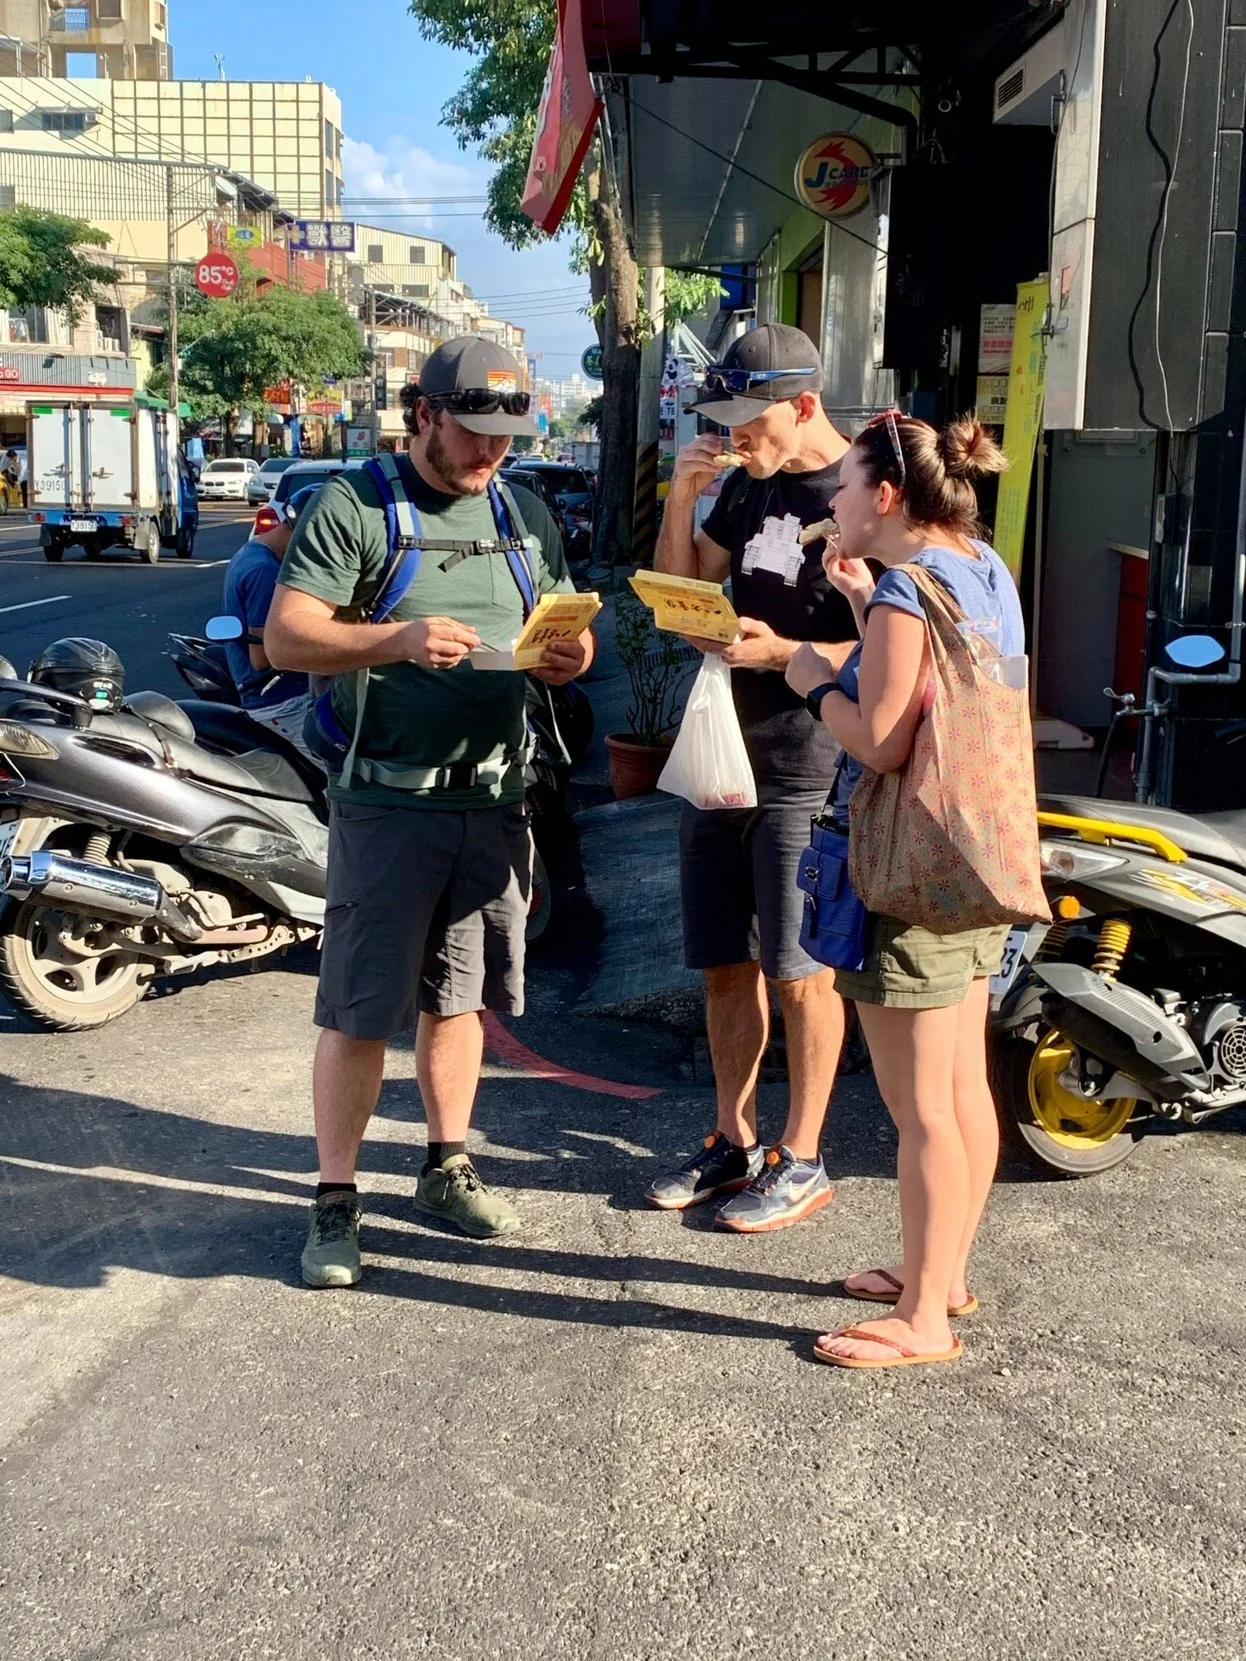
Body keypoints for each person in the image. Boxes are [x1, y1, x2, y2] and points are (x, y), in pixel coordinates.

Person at [264, 336, 594, 1288]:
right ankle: (334, 1201)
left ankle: (447, 1168)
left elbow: (565, 626)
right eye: (474, 431)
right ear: (425, 413)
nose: (492, 451)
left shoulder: (525, 513)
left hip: (492, 797)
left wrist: (569, 659)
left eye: (506, 434)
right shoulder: (358, 506)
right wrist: (398, 638)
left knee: (462, 997)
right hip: (387, 803)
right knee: (363, 1008)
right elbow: (287, 637)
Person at [785, 410, 1018, 1371]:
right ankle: (943, 1272)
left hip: (906, 864)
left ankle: (926, 1318)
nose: (832, 500)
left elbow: (880, 738)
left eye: (843, 484)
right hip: (975, 853)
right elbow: (932, 696)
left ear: (885, 497)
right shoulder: (979, 566)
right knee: (964, 1086)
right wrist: (857, 608)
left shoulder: (902, 594)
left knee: (920, 1106)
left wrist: (808, 677)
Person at [645, 323, 855, 1230]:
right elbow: (676, 592)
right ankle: (732, 1140)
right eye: (723, 418)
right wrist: (683, 500)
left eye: (749, 417)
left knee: (800, 967)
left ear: (804, 404)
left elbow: (899, 642)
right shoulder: (742, 484)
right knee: (724, 960)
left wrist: (786, 654)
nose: (736, 435)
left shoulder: (862, 495)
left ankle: (803, 1155)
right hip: (718, 751)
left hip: (807, 762)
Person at [220, 485, 322, 760]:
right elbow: (264, 657)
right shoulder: (265, 572)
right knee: (344, 771)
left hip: (279, 695)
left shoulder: (252, 551)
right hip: (282, 701)